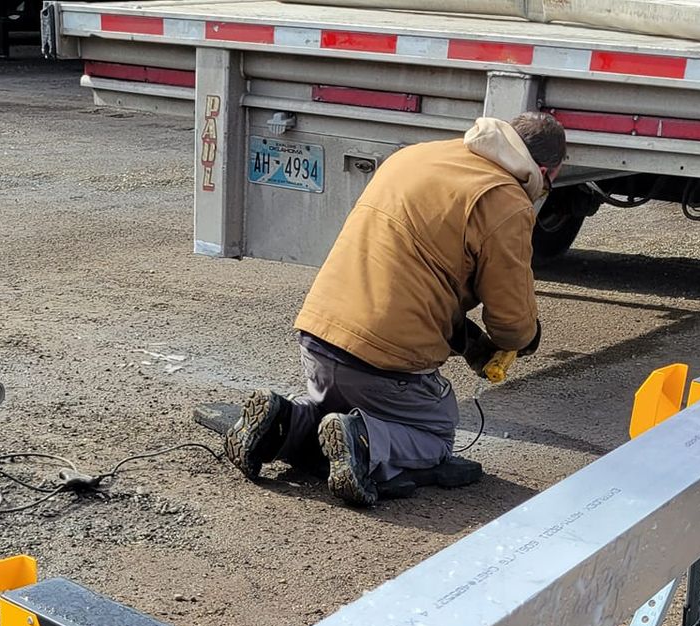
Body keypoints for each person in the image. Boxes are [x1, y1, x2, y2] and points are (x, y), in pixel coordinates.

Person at [224, 111, 566, 508]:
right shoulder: (505, 199)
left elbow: (410, 265)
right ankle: (364, 440)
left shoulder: (418, 156)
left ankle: (282, 420)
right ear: (545, 172)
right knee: (435, 434)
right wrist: (521, 339)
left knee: (334, 411)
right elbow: (511, 322)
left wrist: (458, 331)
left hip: (319, 336)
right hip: (382, 362)